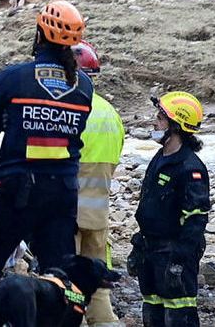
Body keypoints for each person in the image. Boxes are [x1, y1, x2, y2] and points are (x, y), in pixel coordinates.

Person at [0, 1, 94, 327]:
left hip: (17, 193)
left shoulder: (15, 79)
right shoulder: (84, 88)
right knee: (62, 278)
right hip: (61, 196)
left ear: (40, 34)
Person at [132, 91, 207, 327]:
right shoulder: (160, 157)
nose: (155, 121)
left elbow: (196, 219)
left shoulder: (190, 168)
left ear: (176, 125)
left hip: (174, 252)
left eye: (161, 118)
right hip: (151, 248)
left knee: (179, 311)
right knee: (152, 309)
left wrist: (179, 259)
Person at [74, 42, 126, 327]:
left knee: (68, 274)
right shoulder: (111, 114)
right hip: (98, 212)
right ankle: (104, 321)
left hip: (68, 211)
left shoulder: (68, 107)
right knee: (98, 273)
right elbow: (115, 161)